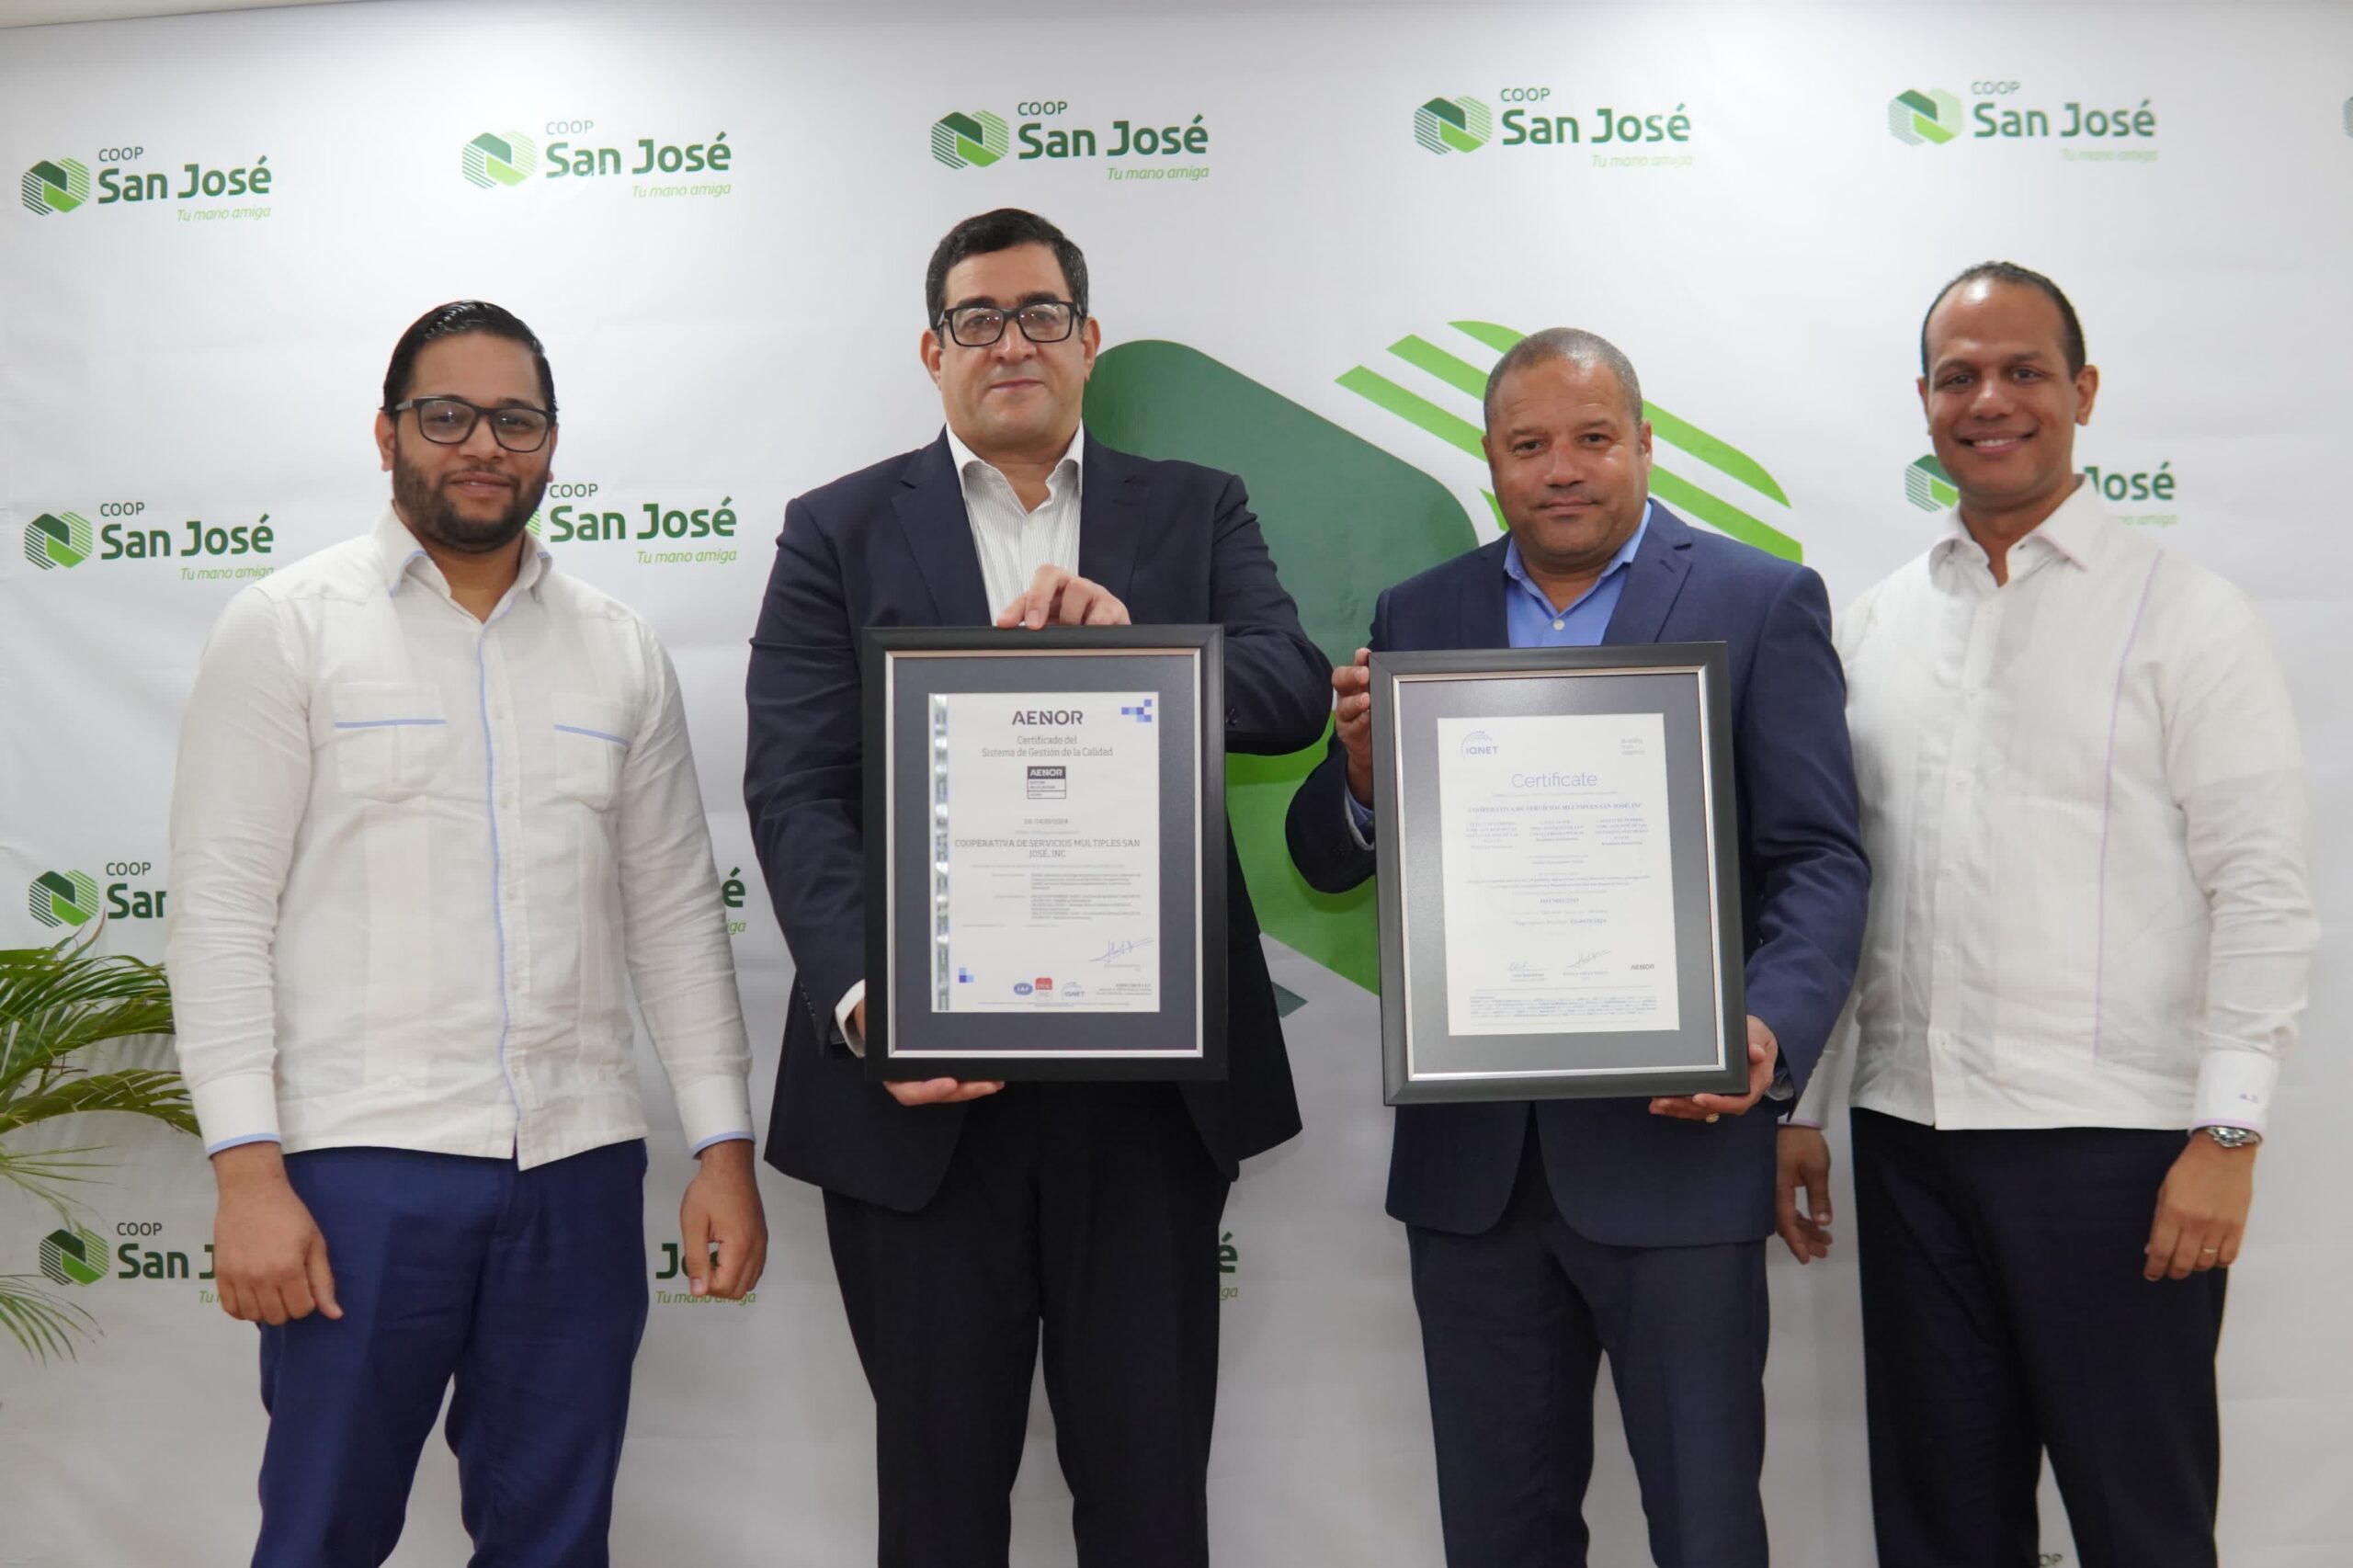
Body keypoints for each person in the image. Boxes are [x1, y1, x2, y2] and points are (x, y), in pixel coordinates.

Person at [742, 209, 1329, 1568]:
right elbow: (796, 788)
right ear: (934, 351)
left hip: (1144, 1096)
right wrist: (869, 1004)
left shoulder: (1195, 506)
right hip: (922, 1097)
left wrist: (1148, 646)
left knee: (1150, 1501)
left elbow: (1293, 689)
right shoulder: (835, 529)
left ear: (1088, 339)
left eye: (1041, 315)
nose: (1012, 342)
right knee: (939, 1511)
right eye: (979, 319)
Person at [165, 300, 766, 1568]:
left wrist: (723, 1149)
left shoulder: (620, 648)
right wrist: (246, 1174)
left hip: (578, 1168)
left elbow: (673, 914)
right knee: (321, 1533)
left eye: (516, 420)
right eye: (447, 416)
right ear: (387, 434)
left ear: (552, 444)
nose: (483, 444)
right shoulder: (287, 625)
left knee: (556, 1542)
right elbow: (219, 914)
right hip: (358, 1169)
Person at [1285, 327, 1868, 1568]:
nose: (1562, 468)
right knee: (1499, 1534)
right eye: (1529, 444)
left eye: (1593, 439)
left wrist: (1766, 1026)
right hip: (1476, 1176)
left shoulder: (1760, 601)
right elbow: (1326, 857)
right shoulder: (1420, 611)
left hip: (1679, 1153)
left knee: (1707, 1529)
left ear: (1645, 445)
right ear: (1490, 460)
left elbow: (1820, 857)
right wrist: (1367, 779)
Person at [1776, 262, 2314, 1568]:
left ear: (2083, 391)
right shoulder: (1878, 623)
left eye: (2024, 371)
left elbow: (2261, 888)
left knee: (2142, 1524)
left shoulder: (2189, 616)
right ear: (1923, 400)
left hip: (2115, 1156)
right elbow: (1850, 883)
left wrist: (2228, 1132)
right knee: (1941, 1528)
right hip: (1911, 1140)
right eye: (1959, 376)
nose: (1991, 400)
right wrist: (1805, 1104)